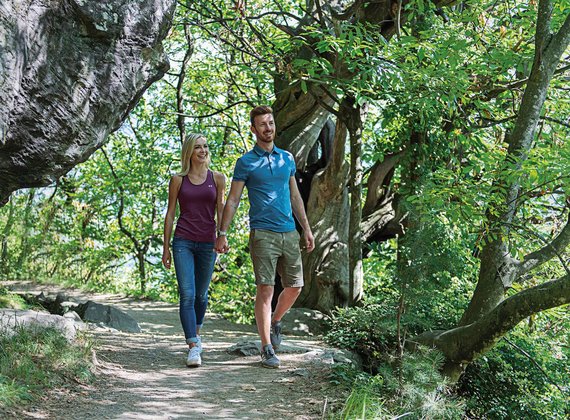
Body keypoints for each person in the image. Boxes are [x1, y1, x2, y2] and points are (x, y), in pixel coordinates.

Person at [215, 105, 314, 369]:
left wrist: (306, 228)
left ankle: (276, 321)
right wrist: (222, 233)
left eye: (270, 123)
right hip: (262, 233)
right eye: (262, 124)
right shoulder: (245, 162)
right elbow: (233, 200)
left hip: (289, 231)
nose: (267, 128)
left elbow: (295, 196)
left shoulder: (287, 158)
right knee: (266, 289)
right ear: (253, 129)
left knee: (295, 287)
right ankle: (266, 347)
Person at [162, 133, 226, 367]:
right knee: (187, 294)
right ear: (189, 151)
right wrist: (166, 247)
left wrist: (223, 236)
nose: (203, 150)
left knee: (201, 295)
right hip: (183, 242)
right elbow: (170, 214)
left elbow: (221, 210)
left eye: (205, 146)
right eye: (197, 147)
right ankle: (192, 345)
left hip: (208, 243)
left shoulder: (217, 178)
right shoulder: (178, 180)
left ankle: (196, 335)